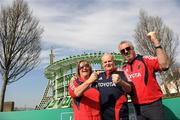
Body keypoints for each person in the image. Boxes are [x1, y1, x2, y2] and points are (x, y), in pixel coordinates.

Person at [118, 31, 170, 120]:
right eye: (123, 51)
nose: (126, 51)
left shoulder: (145, 59)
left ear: (133, 48)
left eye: (128, 48)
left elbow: (164, 65)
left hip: (153, 105)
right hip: (137, 108)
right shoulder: (124, 69)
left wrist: (156, 42)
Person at [97, 53, 132, 120]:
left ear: (113, 61)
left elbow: (129, 89)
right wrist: (75, 78)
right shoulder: (99, 76)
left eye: (109, 61)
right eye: (105, 62)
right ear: (102, 64)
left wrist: (121, 82)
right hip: (104, 115)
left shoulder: (122, 73)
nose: (107, 63)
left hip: (119, 114)